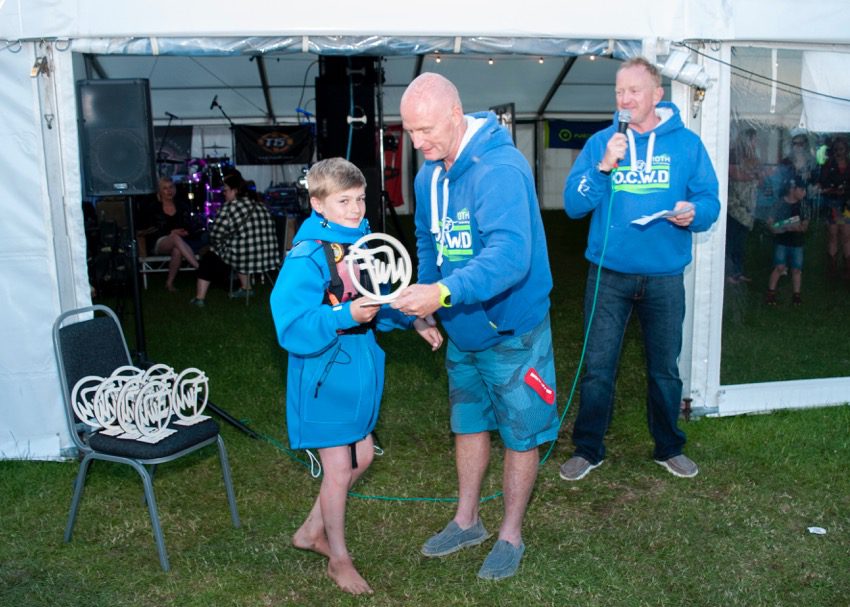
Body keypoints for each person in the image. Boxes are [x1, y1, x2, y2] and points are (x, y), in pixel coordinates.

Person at [392, 73, 558, 581]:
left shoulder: (500, 169)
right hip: (461, 329)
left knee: (520, 434)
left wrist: (442, 293)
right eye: (410, 132)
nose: (417, 143)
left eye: (425, 130)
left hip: (511, 331)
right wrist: (427, 302)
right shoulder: (429, 175)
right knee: (467, 423)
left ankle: (510, 534)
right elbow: (428, 240)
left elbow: (510, 257)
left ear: (455, 114)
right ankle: (467, 521)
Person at [270, 158, 443, 595]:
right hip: (323, 373)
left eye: (360, 199)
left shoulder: (363, 242)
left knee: (362, 456)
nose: (355, 208)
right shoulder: (308, 256)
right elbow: (291, 325)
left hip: (360, 367)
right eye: (343, 201)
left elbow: (378, 300)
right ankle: (339, 560)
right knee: (339, 466)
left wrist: (414, 321)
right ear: (318, 204)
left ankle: (310, 532)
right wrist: (344, 315)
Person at [561, 57, 720, 482]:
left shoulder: (686, 145)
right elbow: (573, 204)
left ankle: (669, 446)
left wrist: (694, 213)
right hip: (609, 275)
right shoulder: (603, 142)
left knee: (665, 369)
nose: (625, 99)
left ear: (656, 95)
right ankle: (588, 448)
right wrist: (604, 166)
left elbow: (709, 201)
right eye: (619, 91)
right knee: (598, 366)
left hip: (664, 276)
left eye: (634, 91)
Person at [190, 170, 280, 306]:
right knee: (239, 246)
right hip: (268, 257)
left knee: (210, 256)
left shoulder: (228, 207)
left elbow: (215, 235)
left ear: (235, 191)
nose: (223, 193)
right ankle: (246, 288)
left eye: (225, 190)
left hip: (245, 258)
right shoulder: (261, 205)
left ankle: (199, 298)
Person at [139, 176, 201, 291]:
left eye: (171, 187)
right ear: (160, 191)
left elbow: (190, 225)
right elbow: (147, 229)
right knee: (175, 237)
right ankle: (199, 268)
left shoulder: (182, 206)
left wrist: (185, 231)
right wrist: (170, 232)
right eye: (165, 188)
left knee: (177, 249)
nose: (169, 191)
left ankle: (169, 283)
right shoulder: (153, 207)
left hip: (180, 242)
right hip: (159, 241)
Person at [765, 175, 810, 305]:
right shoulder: (779, 204)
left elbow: (805, 226)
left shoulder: (804, 205)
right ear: (792, 189)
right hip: (782, 242)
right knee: (779, 267)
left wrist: (798, 227)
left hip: (797, 242)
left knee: (797, 269)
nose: (804, 193)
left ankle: (796, 295)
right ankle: (771, 293)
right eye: (801, 190)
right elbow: (770, 223)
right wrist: (783, 226)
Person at [725, 128, 762, 284]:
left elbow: (759, 175)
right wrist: (753, 176)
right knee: (732, 240)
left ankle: (738, 272)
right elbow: (733, 173)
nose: (755, 143)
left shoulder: (754, 157)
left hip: (748, 205)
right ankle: (729, 273)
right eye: (754, 140)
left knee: (741, 242)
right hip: (735, 205)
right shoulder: (734, 154)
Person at [816, 136, 850, 280]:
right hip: (832, 203)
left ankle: (847, 268)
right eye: (836, 149)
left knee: (846, 236)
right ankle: (832, 268)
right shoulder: (828, 165)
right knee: (833, 235)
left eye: (841, 149)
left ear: (846, 150)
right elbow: (821, 184)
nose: (839, 152)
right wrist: (833, 190)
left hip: (847, 204)